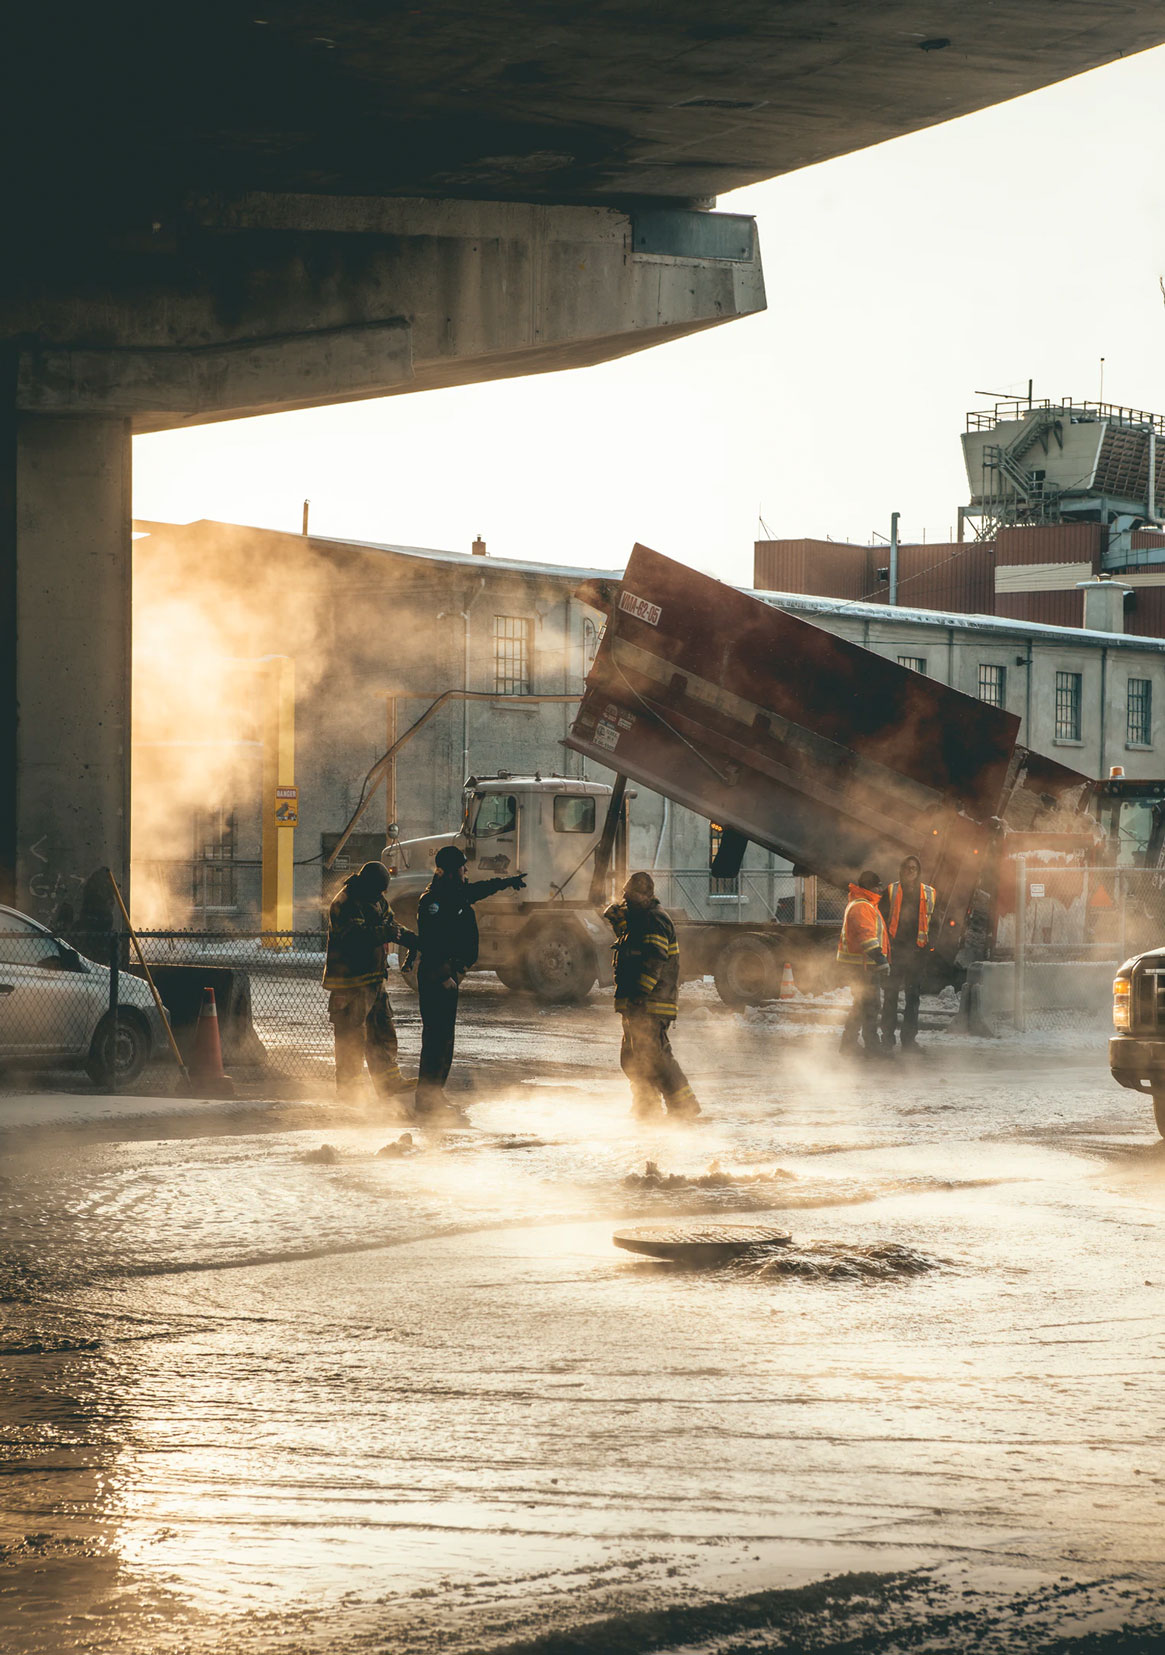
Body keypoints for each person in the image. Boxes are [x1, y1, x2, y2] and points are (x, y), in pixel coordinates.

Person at [414, 845, 526, 1118]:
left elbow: (481, 889)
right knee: (435, 1040)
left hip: (451, 975)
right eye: (463, 867)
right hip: (437, 977)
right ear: (452, 871)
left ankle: (435, 1095)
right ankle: (427, 1100)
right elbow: (430, 943)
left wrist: (508, 883)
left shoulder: (456, 893)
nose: (467, 871)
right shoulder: (433, 901)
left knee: (446, 1040)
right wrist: (443, 976)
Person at [604, 870, 700, 1119]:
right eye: (624, 895)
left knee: (656, 1058)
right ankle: (646, 1105)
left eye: (630, 896)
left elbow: (654, 959)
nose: (626, 900)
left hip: (651, 1002)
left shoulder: (655, 919)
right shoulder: (640, 918)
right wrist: (618, 920)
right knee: (632, 1059)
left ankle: (683, 1106)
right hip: (636, 1003)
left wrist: (640, 994)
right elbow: (630, 944)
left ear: (645, 895)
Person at [323, 861, 417, 1104]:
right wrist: (388, 933)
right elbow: (356, 938)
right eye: (378, 891)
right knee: (351, 1040)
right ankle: (349, 1095)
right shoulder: (345, 902)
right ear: (367, 884)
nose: (381, 896)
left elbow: (391, 925)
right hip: (350, 985)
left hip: (374, 981)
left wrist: (412, 939)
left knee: (382, 1033)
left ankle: (388, 1083)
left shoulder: (376, 900)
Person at [879, 854, 937, 1051]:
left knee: (913, 998)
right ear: (901, 870)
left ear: (918, 871)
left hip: (916, 953)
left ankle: (909, 1040)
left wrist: (930, 946)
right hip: (895, 951)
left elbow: (934, 922)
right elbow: (881, 919)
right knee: (890, 996)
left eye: (914, 868)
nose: (910, 871)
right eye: (907, 868)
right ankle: (887, 1038)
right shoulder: (891, 890)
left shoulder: (929, 893)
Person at [837, 868, 890, 1058]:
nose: (881, 890)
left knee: (864, 1004)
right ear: (870, 886)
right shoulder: (862, 906)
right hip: (863, 966)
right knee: (869, 1004)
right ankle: (867, 1045)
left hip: (862, 965)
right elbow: (867, 936)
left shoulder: (862, 904)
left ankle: (851, 1043)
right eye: (879, 885)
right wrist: (880, 959)